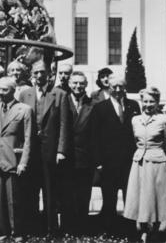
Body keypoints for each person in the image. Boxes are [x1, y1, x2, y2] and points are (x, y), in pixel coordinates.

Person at [19, 60, 70, 235]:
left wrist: (61, 150)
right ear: (32, 75)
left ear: (49, 74)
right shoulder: (25, 94)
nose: (39, 75)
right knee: (30, 190)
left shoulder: (59, 94)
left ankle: (51, 229)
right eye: (36, 72)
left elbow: (64, 124)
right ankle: (33, 228)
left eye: (42, 72)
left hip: (50, 150)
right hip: (30, 151)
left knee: (50, 191)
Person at [124, 87, 166, 242]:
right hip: (139, 162)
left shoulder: (163, 119)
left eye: (151, 101)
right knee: (140, 196)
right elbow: (135, 141)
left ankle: (157, 231)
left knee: (157, 196)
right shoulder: (135, 120)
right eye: (145, 101)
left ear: (157, 102)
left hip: (157, 162)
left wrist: (160, 156)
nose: (148, 104)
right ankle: (143, 231)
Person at [91, 75, 140, 234]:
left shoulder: (134, 105)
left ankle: (130, 230)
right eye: (114, 87)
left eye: (121, 86)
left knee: (130, 197)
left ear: (125, 87)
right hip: (108, 162)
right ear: (109, 88)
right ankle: (109, 230)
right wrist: (98, 161)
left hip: (129, 161)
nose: (118, 90)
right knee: (109, 197)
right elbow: (95, 136)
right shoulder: (100, 108)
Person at [0, 77, 33, 242]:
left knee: (14, 200)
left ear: (13, 91)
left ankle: (17, 232)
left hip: (14, 160)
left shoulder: (24, 109)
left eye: (4, 90)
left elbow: (29, 139)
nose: (0, 92)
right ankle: (1, 232)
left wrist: (24, 162)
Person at [67, 72, 95, 234]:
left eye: (81, 84)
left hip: (85, 157)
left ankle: (82, 228)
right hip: (67, 155)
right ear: (70, 84)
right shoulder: (62, 101)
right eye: (75, 83)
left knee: (84, 194)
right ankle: (68, 227)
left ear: (86, 85)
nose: (78, 87)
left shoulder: (92, 104)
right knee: (67, 193)